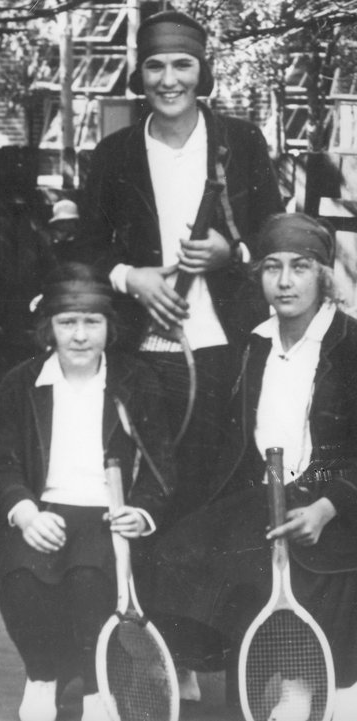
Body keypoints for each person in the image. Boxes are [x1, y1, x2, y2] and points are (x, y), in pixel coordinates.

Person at [80, 10, 284, 525]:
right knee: (146, 485)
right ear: (139, 74)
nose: (168, 80)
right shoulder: (113, 154)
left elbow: (274, 235)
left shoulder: (240, 144)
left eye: (182, 64)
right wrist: (132, 277)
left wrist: (230, 251)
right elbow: (82, 249)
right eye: (155, 66)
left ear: (203, 71)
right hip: (140, 347)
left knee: (212, 488)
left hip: (223, 345)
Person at [150, 213, 357, 719]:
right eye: (272, 267)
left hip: (334, 497)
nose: (285, 282)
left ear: (323, 276)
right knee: (175, 552)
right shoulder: (253, 343)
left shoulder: (351, 345)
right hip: (263, 494)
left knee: (320, 572)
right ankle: (215, 672)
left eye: (300, 267)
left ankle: (321, 686)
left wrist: (329, 505)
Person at [0, 263, 174, 721]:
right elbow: (3, 463)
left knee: (88, 581)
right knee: (20, 578)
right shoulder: (21, 382)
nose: (80, 336)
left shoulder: (136, 381)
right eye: (67, 323)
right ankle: (42, 675)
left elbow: (161, 467)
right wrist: (23, 512)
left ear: (109, 327)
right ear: (49, 328)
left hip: (107, 513)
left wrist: (142, 512)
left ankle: (99, 686)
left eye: (92, 322)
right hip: (45, 509)